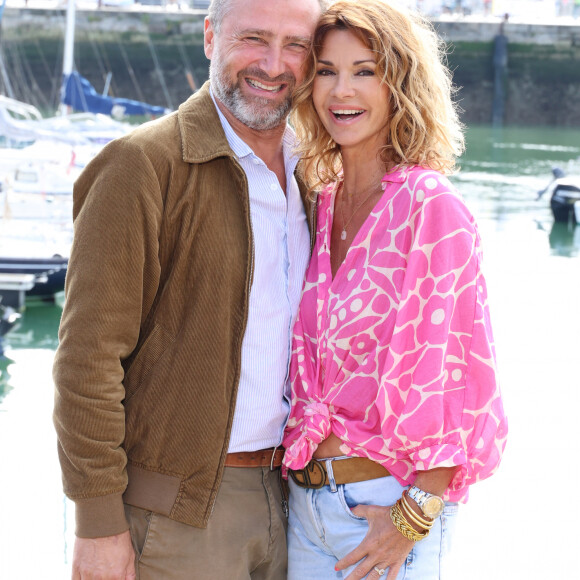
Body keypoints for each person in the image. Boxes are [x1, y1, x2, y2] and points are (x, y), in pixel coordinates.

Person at [52, 0, 324, 578]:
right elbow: (87, 361)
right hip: (176, 519)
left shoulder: (317, 175)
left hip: (297, 502)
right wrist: (98, 524)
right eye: (254, 38)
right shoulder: (141, 166)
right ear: (210, 37)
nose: (274, 65)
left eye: (296, 45)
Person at [282, 1, 508, 579]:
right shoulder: (320, 199)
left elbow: (463, 383)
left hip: (388, 509)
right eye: (327, 70)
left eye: (364, 70)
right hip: (305, 508)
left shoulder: (430, 208)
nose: (341, 90)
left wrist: (412, 517)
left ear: (398, 82)